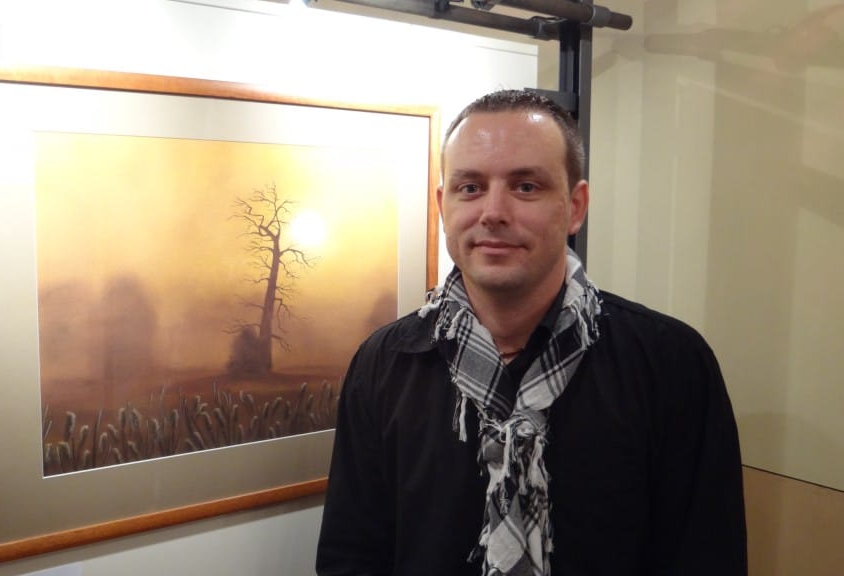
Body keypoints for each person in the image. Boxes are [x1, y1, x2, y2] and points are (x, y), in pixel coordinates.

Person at [315, 90, 747, 576]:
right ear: (442, 205)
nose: (493, 212)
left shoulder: (670, 365)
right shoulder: (385, 363)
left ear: (575, 206)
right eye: (470, 187)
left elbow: (707, 557)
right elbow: (351, 557)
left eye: (525, 186)